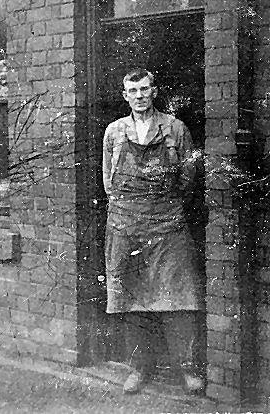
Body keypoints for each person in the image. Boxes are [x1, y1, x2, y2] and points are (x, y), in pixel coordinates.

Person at [103, 68, 205, 395]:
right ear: (124, 95)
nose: (139, 96)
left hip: (168, 222)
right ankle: (138, 369)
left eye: (144, 89)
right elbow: (109, 181)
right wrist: (129, 210)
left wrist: (166, 206)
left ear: (154, 91)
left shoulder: (175, 129)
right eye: (132, 91)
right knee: (133, 298)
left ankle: (187, 370)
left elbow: (189, 177)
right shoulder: (114, 132)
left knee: (179, 296)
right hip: (127, 223)